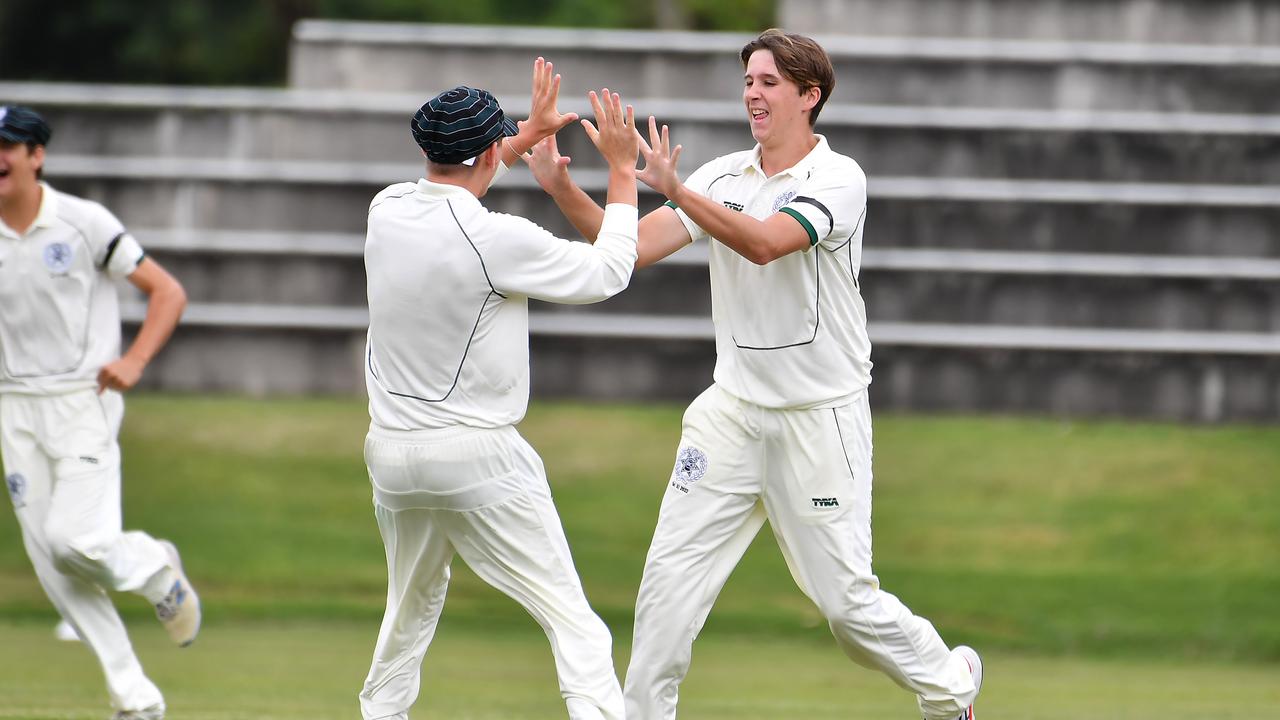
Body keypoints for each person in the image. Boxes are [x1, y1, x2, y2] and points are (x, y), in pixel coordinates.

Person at [522, 29, 984, 720]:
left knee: (847, 609)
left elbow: (768, 245)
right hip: (731, 416)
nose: (753, 94)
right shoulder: (720, 175)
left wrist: (677, 189)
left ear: (809, 95)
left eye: (769, 82)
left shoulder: (839, 179)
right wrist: (563, 188)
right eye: (748, 82)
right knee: (665, 598)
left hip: (818, 418)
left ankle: (951, 688)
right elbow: (634, 249)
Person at [357, 58, 640, 720]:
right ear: (488, 152)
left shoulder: (386, 208)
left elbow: (467, 175)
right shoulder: (496, 238)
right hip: (475, 456)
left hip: (391, 454)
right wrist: (623, 174)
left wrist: (522, 135)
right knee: (575, 625)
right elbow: (610, 273)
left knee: (409, 610)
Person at [0, 104, 200, 720]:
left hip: (83, 400)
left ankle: (151, 563)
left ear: (37, 156)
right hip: (13, 408)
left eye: (9, 146)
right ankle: (137, 701)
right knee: (55, 567)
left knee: (75, 541)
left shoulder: (84, 223)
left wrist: (135, 362)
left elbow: (167, 292)